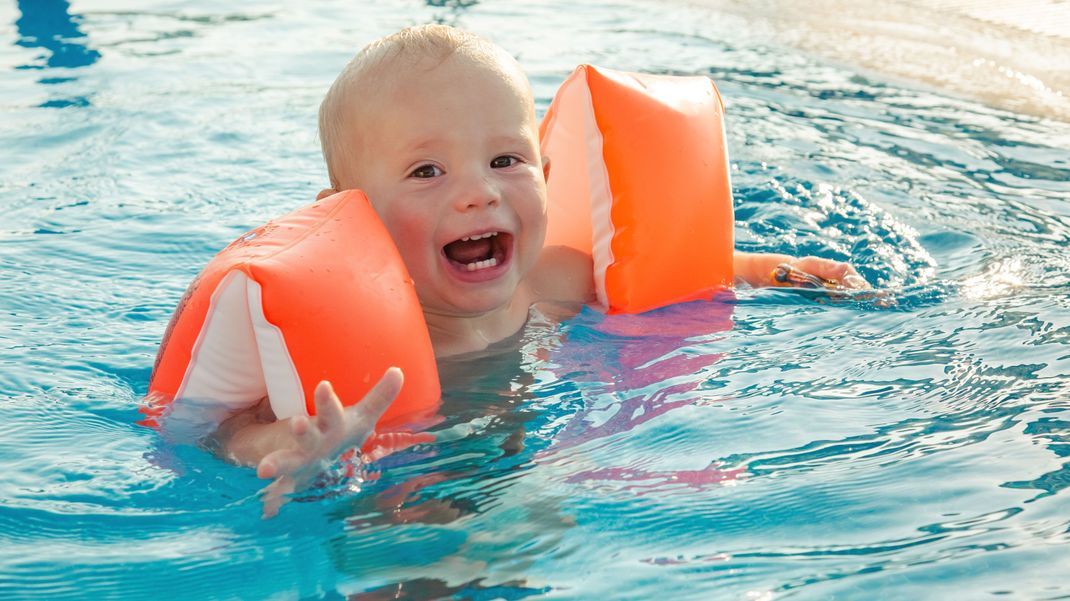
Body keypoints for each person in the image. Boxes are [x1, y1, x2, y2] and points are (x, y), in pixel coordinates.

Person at [211, 24, 869, 516]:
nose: (479, 193)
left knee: (534, 536)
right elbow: (227, 426)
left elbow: (696, 270)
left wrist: (777, 270)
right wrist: (289, 445)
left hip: (535, 472)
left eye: (506, 161)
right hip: (400, 490)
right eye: (427, 171)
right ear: (352, 215)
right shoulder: (347, 340)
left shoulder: (551, 282)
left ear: (546, 178)